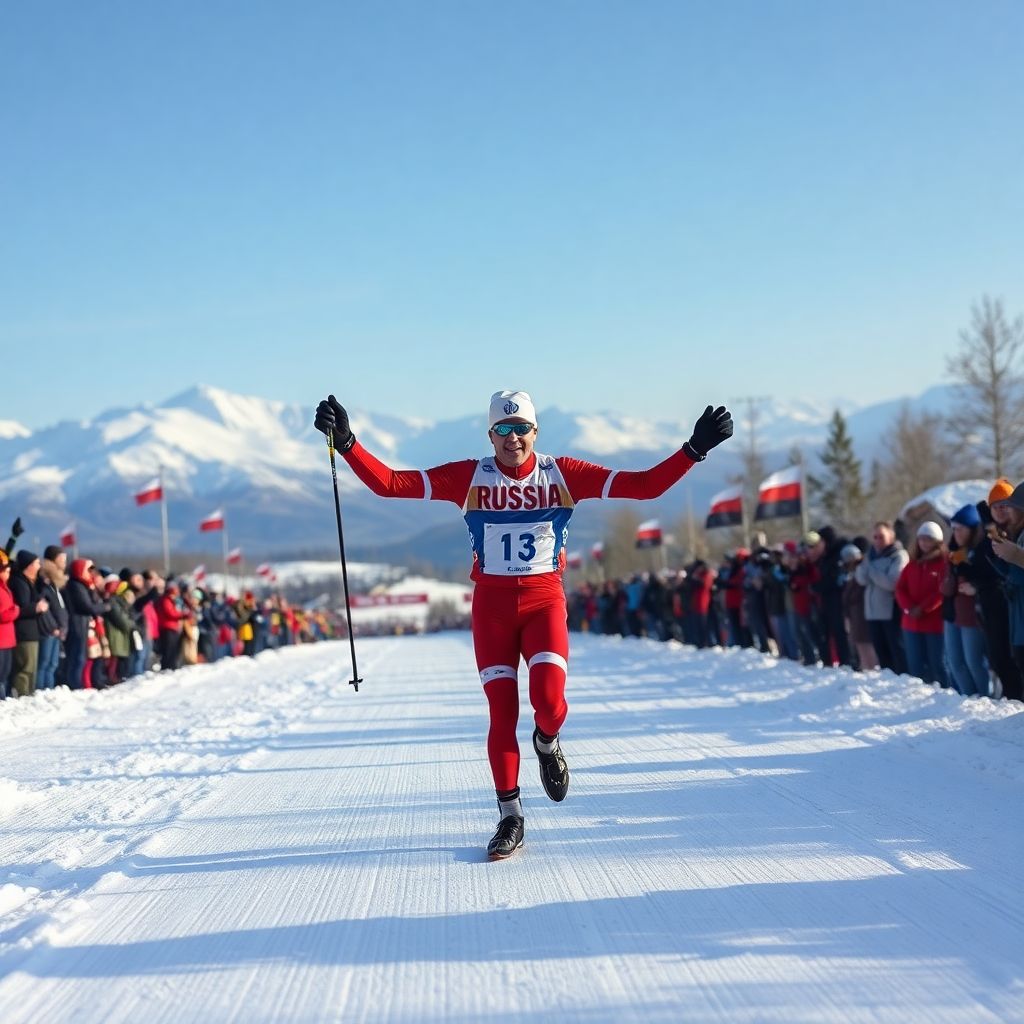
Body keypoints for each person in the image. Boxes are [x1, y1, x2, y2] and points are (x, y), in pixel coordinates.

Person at [315, 389, 733, 858]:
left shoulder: (564, 473)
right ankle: (510, 816)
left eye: (521, 429)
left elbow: (643, 486)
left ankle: (547, 740)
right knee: (501, 714)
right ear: (490, 434)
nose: (513, 439)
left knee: (549, 701)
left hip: (543, 603)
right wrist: (348, 443)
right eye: (503, 429)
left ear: (535, 431)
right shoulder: (468, 477)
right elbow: (391, 483)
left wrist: (693, 450)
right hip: (491, 609)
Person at [941, 504, 990, 697]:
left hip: (972, 615)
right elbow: (945, 587)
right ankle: (968, 699)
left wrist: (975, 587)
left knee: (974, 661)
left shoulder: (982, 550)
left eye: (960, 528)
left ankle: (983, 699)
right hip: (952, 612)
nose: (956, 533)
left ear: (972, 529)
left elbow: (990, 578)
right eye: (954, 529)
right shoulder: (954, 553)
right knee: (955, 662)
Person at [895, 521, 948, 688]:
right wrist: (909, 607)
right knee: (915, 666)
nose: (924, 543)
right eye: (922, 539)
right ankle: (918, 695)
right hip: (911, 623)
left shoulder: (943, 564)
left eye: (929, 539)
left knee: (937, 665)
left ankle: (944, 696)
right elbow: (900, 588)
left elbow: (941, 591)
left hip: (933, 623)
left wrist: (923, 608)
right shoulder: (912, 564)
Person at [855, 522, 909, 674]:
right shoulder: (870, 555)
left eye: (882, 536)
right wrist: (864, 566)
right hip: (872, 612)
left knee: (896, 650)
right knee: (881, 653)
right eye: (875, 537)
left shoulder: (898, 555)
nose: (878, 540)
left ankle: (902, 679)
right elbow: (861, 579)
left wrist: (871, 569)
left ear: (891, 536)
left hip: (890, 611)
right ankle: (887, 681)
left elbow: (892, 582)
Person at [9, 550, 49, 697]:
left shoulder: (29, 581)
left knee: (32, 668)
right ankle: (22, 696)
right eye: (37, 563)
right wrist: (36, 608)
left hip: (32, 630)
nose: (40, 566)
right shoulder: (19, 582)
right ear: (29, 565)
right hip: (24, 631)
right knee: (25, 668)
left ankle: (29, 695)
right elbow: (22, 606)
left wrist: (42, 587)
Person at [0, 550, 19, 699]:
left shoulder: (5, 588)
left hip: (8, 638)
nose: (9, 573)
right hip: (1, 639)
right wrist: (14, 612)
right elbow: (3, 613)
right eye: (6, 570)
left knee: (6, 673)